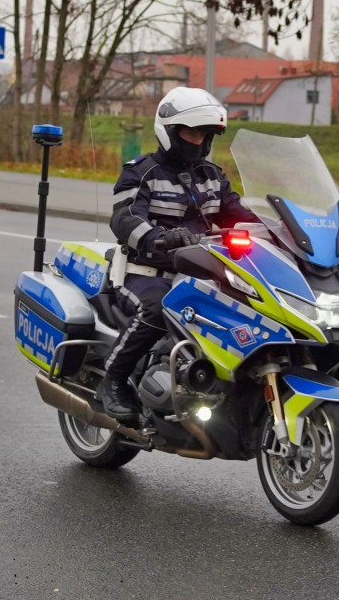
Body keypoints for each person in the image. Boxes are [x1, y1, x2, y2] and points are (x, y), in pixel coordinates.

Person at [102, 87, 260, 420]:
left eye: (204, 134)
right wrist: (157, 237)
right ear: (170, 132)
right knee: (158, 309)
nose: (198, 140)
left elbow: (242, 218)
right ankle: (113, 381)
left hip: (200, 274)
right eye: (191, 132)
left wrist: (286, 235)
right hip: (145, 272)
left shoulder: (213, 177)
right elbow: (124, 216)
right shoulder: (142, 172)